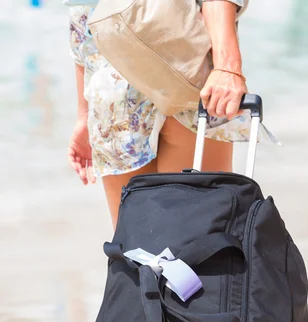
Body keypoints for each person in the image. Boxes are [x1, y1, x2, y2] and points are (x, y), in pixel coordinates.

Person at [67, 0, 250, 228]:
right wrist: (227, 67)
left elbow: (83, 20)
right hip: (185, 72)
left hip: (114, 92)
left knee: (135, 248)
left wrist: (84, 114)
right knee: (201, 242)